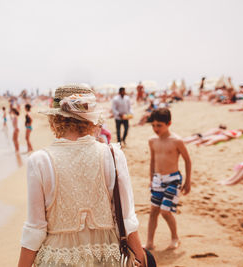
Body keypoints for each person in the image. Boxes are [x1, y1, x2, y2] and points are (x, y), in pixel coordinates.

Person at [18, 84, 145, 267]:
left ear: (54, 120)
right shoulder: (112, 155)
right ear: (92, 120)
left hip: (59, 259)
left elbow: (35, 229)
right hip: (107, 256)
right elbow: (127, 220)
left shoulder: (40, 161)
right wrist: (141, 257)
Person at [146, 108, 191, 250]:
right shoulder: (152, 141)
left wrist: (188, 181)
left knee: (165, 211)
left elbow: (187, 161)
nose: (155, 128)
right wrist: (151, 179)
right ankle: (149, 242)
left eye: (159, 125)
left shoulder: (177, 141)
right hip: (158, 179)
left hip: (173, 179)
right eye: (153, 125)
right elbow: (152, 161)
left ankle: (175, 237)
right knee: (153, 211)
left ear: (169, 123)